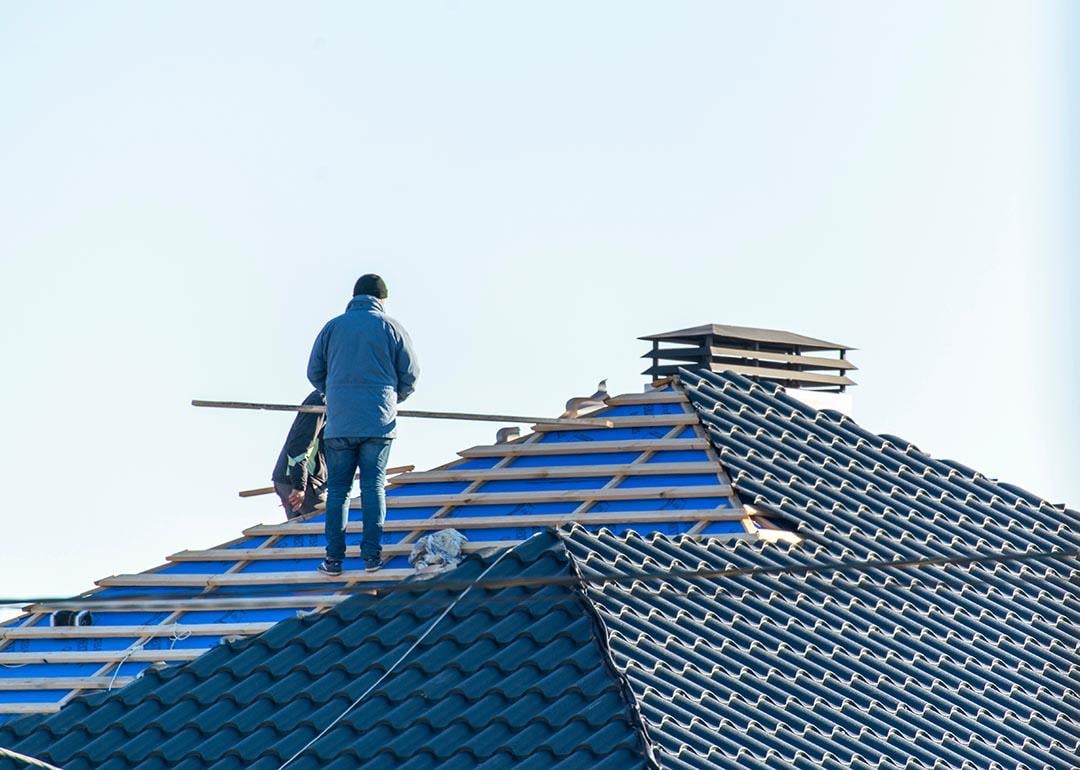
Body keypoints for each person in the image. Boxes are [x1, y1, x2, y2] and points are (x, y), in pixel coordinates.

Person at [307, 274, 419, 575]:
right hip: (378, 422)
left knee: (339, 491)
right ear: (382, 299)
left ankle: (333, 560)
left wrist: (332, 392)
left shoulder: (332, 328)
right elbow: (410, 373)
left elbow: (314, 371)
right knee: (373, 487)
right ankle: (371, 557)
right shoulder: (391, 327)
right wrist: (394, 397)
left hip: (340, 423)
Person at [271, 390, 327, 520]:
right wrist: (299, 485)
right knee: (329, 525)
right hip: (301, 480)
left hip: (296, 479)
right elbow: (300, 444)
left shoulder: (333, 398)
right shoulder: (321, 400)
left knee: (301, 533)